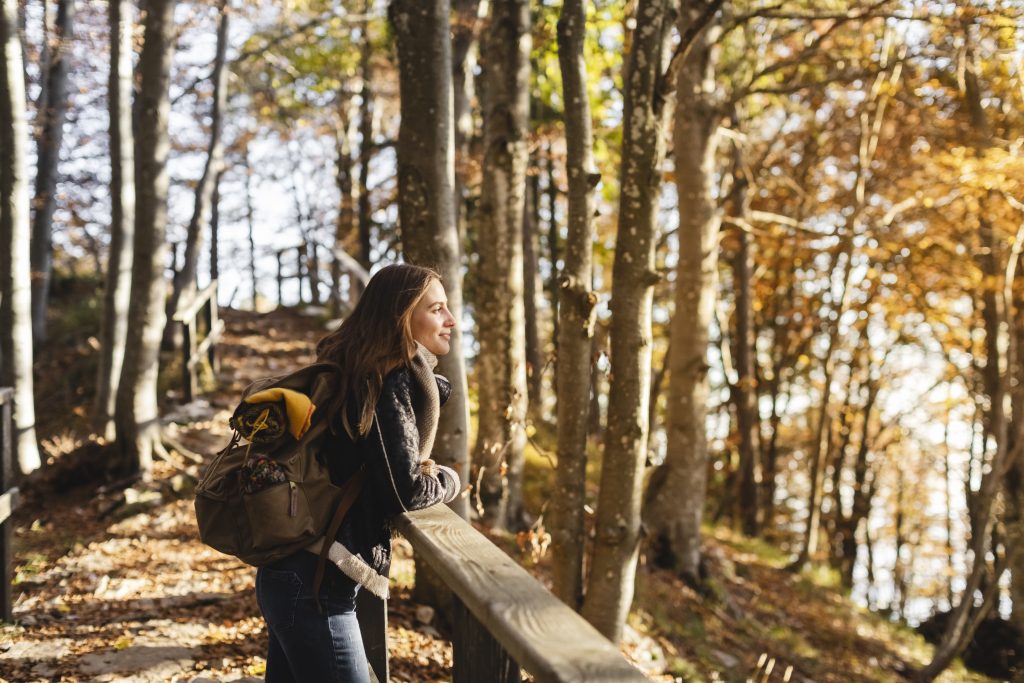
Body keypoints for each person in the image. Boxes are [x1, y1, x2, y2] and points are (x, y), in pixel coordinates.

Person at [255, 263, 462, 683]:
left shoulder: (359, 369)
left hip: (294, 574)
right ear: (403, 315)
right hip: (315, 586)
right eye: (437, 309)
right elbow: (403, 491)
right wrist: (450, 480)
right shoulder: (386, 378)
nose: (451, 320)